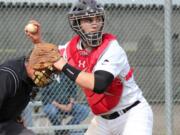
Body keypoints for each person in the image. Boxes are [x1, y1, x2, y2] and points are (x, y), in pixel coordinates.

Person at [25, 0, 153, 134]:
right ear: (77, 23)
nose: (95, 24)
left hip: (132, 114)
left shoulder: (111, 48)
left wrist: (63, 65)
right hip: (102, 120)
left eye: (98, 19)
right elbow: (48, 55)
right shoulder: (71, 49)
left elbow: (99, 84)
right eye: (88, 20)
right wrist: (37, 41)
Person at [0, 55, 37, 135]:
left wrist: (16, 117)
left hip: (6, 123)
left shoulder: (28, 78)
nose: (48, 75)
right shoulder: (8, 76)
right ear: (33, 63)